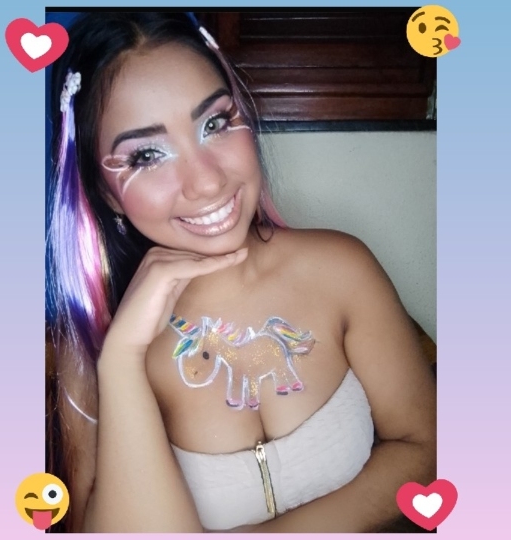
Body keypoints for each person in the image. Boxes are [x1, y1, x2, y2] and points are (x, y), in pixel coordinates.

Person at [47, 11, 436, 533]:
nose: (207, 182)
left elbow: (422, 447)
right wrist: (122, 360)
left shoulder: (343, 268)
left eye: (214, 123)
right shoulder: (90, 350)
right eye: (147, 155)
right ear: (104, 193)